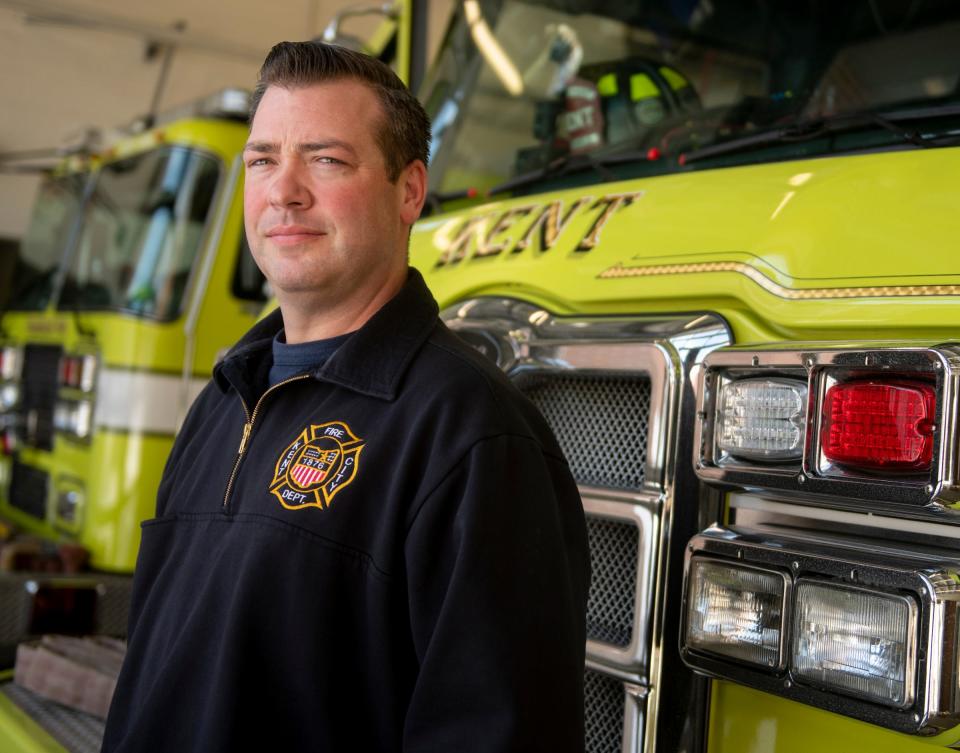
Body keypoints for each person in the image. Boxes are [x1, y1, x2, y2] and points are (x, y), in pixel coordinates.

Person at [102, 41, 589, 753]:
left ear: (409, 191)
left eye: (326, 159)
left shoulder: (471, 436)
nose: (284, 190)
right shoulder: (224, 400)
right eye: (263, 160)